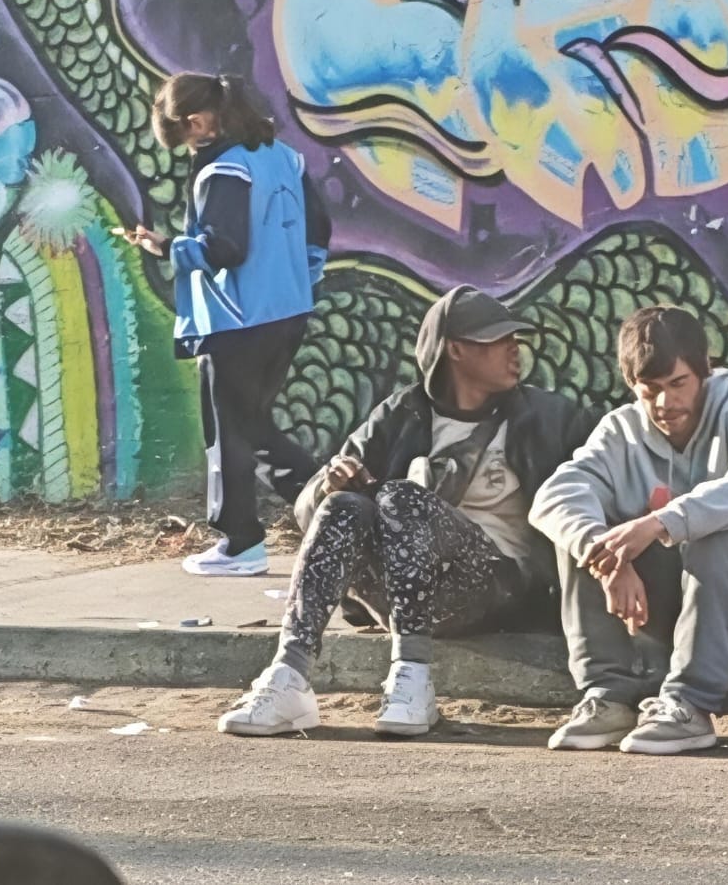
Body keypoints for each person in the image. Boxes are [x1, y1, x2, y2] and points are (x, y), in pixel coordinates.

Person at [216, 285, 596, 737]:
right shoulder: (401, 415)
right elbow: (309, 511)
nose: (514, 349)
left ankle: (412, 677)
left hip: (500, 588)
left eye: (515, 339)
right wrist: (328, 484)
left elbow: (609, 466)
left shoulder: (548, 417)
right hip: (402, 593)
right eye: (498, 340)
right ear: (455, 350)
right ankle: (289, 676)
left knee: (400, 497)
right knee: (342, 505)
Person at [530, 307, 728, 755]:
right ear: (632, 385)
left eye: (678, 383)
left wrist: (659, 523)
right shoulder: (620, 430)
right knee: (584, 536)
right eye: (650, 389)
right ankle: (608, 696)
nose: (665, 402)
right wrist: (608, 559)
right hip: (671, 610)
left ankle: (689, 704)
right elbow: (554, 495)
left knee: (717, 530)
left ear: (704, 370)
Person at [122, 72, 330, 577]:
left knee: (230, 431)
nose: (187, 147)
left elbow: (225, 247)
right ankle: (334, 508)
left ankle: (241, 543)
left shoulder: (225, 169)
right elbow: (319, 228)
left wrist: (167, 247)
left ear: (197, 122)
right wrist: (298, 281)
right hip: (286, 313)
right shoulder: (283, 157)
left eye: (183, 137)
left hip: (237, 320)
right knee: (253, 426)